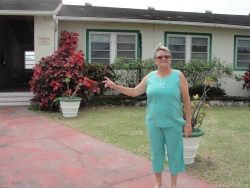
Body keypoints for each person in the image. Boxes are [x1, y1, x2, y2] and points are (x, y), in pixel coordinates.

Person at [102, 43, 192, 188]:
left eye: (166, 56)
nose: (163, 58)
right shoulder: (150, 77)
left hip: (173, 122)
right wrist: (115, 86)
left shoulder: (178, 75)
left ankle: (173, 184)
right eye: (160, 56)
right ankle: (158, 183)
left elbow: (187, 100)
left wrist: (188, 123)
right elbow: (134, 91)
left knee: (174, 154)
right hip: (153, 122)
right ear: (155, 60)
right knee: (156, 154)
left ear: (170, 59)